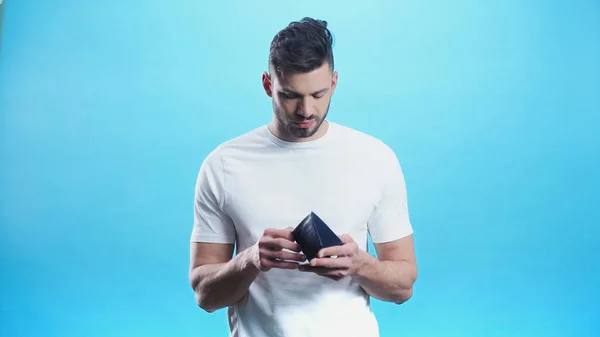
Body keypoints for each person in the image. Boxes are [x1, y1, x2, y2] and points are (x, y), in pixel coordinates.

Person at [188, 17, 418, 337]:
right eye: (291, 95)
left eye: (319, 94)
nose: (306, 110)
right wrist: (252, 259)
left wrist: (359, 265)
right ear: (269, 85)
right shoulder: (223, 165)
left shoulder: (376, 159)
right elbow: (205, 295)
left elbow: (403, 286)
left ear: (334, 83)